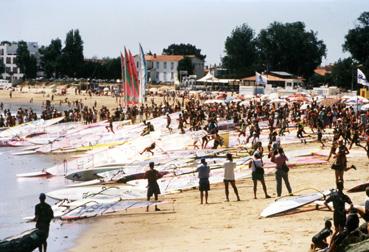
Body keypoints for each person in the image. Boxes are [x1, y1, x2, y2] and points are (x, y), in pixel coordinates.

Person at [324, 181, 353, 248]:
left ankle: (330, 245)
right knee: (341, 231)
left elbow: (325, 203)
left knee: (336, 230)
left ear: (337, 187)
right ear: (342, 187)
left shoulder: (333, 195)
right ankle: (340, 245)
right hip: (342, 215)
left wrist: (330, 209)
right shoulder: (344, 196)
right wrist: (348, 210)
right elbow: (351, 204)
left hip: (336, 214)